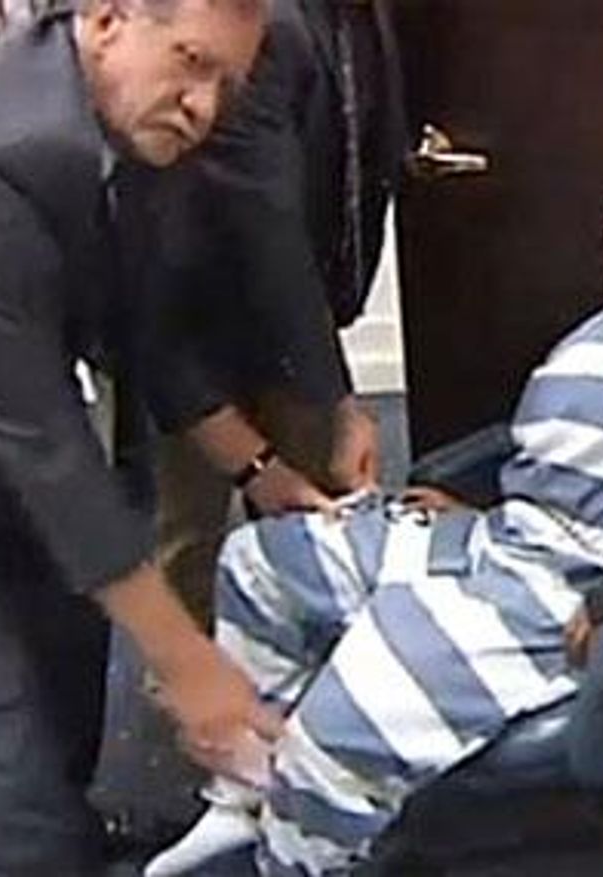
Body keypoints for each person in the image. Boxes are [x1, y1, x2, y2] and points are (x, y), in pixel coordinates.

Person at [143, 179, 603, 876]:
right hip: (502, 536)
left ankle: (299, 857)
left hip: (571, 585)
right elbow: (571, 443)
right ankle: (244, 795)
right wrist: (470, 495)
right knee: (265, 561)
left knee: (343, 728)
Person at [0, 2, 282, 873]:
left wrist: (258, 467)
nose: (204, 105)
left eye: (225, 84)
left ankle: (65, 829)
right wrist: (188, 662)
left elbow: (141, 328)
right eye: (191, 62)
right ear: (111, 18)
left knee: (68, 638)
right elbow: (34, 433)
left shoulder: (122, 121)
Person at [135, 0, 406, 627]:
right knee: (188, 539)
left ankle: (312, 668)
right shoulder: (252, 26)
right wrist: (338, 400)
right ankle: (189, 681)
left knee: (318, 529)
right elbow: (266, 225)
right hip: (190, 322)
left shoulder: (360, 16)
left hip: (297, 319)